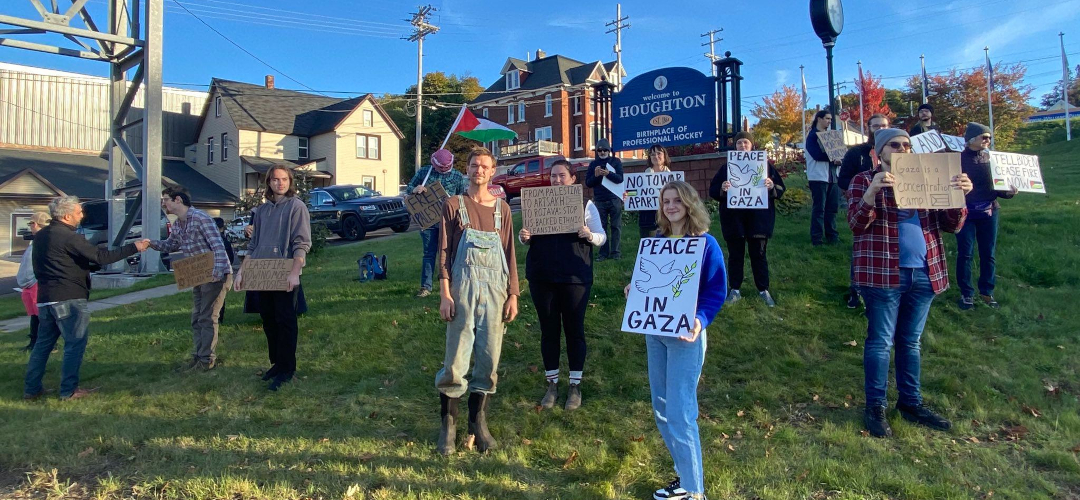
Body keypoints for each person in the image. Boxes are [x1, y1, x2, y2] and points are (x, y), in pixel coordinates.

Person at [847, 128, 972, 438]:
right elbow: (856, 224)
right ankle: (875, 406)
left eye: (906, 144)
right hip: (882, 274)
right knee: (880, 342)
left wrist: (959, 196)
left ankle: (910, 403)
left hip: (925, 272)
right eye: (894, 144)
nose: (902, 148)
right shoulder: (864, 180)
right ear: (879, 151)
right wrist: (872, 192)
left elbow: (952, 225)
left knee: (910, 342)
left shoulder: (929, 177)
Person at [623, 181, 725, 500]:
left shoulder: (706, 244)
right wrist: (634, 291)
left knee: (681, 412)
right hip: (656, 333)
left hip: (686, 335)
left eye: (676, 200)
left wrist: (700, 320)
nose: (670, 206)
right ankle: (684, 476)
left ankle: (696, 492)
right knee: (662, 409)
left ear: (689, 203)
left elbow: (716, 290)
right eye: (665, 201)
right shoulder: (656, 241)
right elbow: (649, 283)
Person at [435, 147, 519, 455]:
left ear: (493, 171)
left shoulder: (503, 210)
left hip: (497, 294)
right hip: (462, 291)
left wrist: (513, 294)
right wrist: (445, 293)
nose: (479, 170)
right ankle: (448, 425)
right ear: (466, 169)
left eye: (485, 166)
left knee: (488, 360)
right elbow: (443, 252)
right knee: (456, 360)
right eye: (474, 165)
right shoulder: (454, 205)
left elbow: (510, 255)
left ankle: (477, 422)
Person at [24, 196, 149, 401]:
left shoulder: (42, 235)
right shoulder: (69, 237)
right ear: (66, 215)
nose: (81, 216)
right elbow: (101, 257)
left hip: (45, 298)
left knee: (43, 345)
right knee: (75, 343)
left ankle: (32, 389)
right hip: (69, 298)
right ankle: (69, 390)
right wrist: (134, 247)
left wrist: (88, 267)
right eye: (78, 212)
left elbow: (64, 262)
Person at [519, 159, 606, 411]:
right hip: (542, 276)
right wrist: (524, 237)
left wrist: (589, 235)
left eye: (562, 176)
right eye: (553, 176)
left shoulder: (585, 204)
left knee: (574, 330)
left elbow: (601, 236)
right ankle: (552, 383)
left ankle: (575, 385)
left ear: (572, 179)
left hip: (575, 277)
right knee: (549, 331)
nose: (557, 180)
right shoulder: (536, 202)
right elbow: (527, 236)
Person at [234, 165, 311, 391]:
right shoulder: (262, 211)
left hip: (284, 271)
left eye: (284, 179)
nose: (280, 183)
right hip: (261, 272)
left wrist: (295, 272)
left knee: (286, 321)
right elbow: (253, 245)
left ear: (290, 181)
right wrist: (242, 271)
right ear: (269, 182)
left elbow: (301, 243)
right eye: (276, 180)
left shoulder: (297, 207)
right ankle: (276, 363)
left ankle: (288, 368)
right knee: (268, 320)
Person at [151, 186, 233, 371]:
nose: (164, 203)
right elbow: (171, 245)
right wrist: (151, 244)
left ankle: (206, 360)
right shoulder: (179, 223)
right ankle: (198, 356)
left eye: (166, 199)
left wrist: (217, 274)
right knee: (197, 317)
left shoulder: (201, 218)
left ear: (178, 200)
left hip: (215, 275)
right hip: (197, 276)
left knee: (207, 317)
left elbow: (218, 246)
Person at [708, 131, 786, 307]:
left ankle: (763, 290)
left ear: (752, 145)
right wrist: (722, 188)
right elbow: (713, 191)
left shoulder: (765, 166)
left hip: (758, 221)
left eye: (745, 143)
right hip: (734, 220)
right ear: (734, 146)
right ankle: (734, 290)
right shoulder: (726, 167)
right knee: (735, 255)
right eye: (739, 143)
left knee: (758, 254)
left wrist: (771, 186)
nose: (742, 146)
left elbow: (781, 189)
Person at [956, 122, 1015, 310]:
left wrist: (1010, 191)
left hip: (990, 211)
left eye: (989, 137)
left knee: (988, 254)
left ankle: (987, 291)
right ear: (971, 139)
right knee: (965, 253)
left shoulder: (992, 160)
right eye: (984, 137)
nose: (987, 140)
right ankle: (966, 293)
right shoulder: (957, 160)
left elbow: (1000, 188)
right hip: (965, 211)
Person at [839, 113, 891, 309]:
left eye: (884, 126)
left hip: (892, 209)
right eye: (875, 126)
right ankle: (857, 290)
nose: (880, 129)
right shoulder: (856, 153)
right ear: (868, 129)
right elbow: (843, 179)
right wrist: (861, 188)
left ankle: (887, 288)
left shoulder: (898, 154)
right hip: (864, 206)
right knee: (861, 248)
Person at [406, 148, 468, 297]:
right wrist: (415, 189)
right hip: (428, 223)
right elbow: (408, 188)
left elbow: (462, 198)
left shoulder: (458, 176)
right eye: (441, 168)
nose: (444, 170)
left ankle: (450, 285)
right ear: (434, 164)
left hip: (449, 222)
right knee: (429, 254)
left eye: (447, 167)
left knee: (448, 254)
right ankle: (426, 287)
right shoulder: (424, 173)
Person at [804, 110, 841, 246]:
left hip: (832, 176)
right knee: (819, 209)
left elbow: (840, 153)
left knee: (832, 208)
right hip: (818, 177)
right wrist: (834, 159)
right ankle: (817, 238)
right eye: (827, 118)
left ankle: (832, 236)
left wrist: (840, 159)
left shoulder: (831, 136)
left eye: (830, 119)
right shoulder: (812, 136)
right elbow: (816, 155)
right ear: (819, 119)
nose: (829, 121)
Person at [16, 212, 51, 352]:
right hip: (28, 285)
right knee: (34, 315)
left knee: (41, 314)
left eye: (31, 223)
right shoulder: (35, 240)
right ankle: (33, 341)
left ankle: (48, 343)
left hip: (36, 283)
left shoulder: (45, 240)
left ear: (36, 224)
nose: (30, 226)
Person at [584, 138, 624, 261]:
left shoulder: (615, 162)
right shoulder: (592, 164)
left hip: (614, 199)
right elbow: (588, 183)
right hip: (600, 200)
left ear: (609, 150)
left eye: (605, 150)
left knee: (616, 226)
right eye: (600, 150)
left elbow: (620, 178)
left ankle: (615, 252)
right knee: (601, 227)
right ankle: (603, 253)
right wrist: (596, 176)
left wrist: (608, 174)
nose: (602, 152)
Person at [638, 144, 671, 238]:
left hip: (667, 218)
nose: (656, 156)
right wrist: (628, 196)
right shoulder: (641, 178)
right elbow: (636, 195)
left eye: (658, 153)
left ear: (664, 155)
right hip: (648, 221)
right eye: (652, 154)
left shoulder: (672, 177)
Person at [213, 217, 236, 324]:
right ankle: (218, 317)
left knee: (218, 296)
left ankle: (218, 317)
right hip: (223, 272)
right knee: (219, 296)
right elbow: (231, 257)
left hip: (220, 272)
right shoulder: (225, 241)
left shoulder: (219, 241)